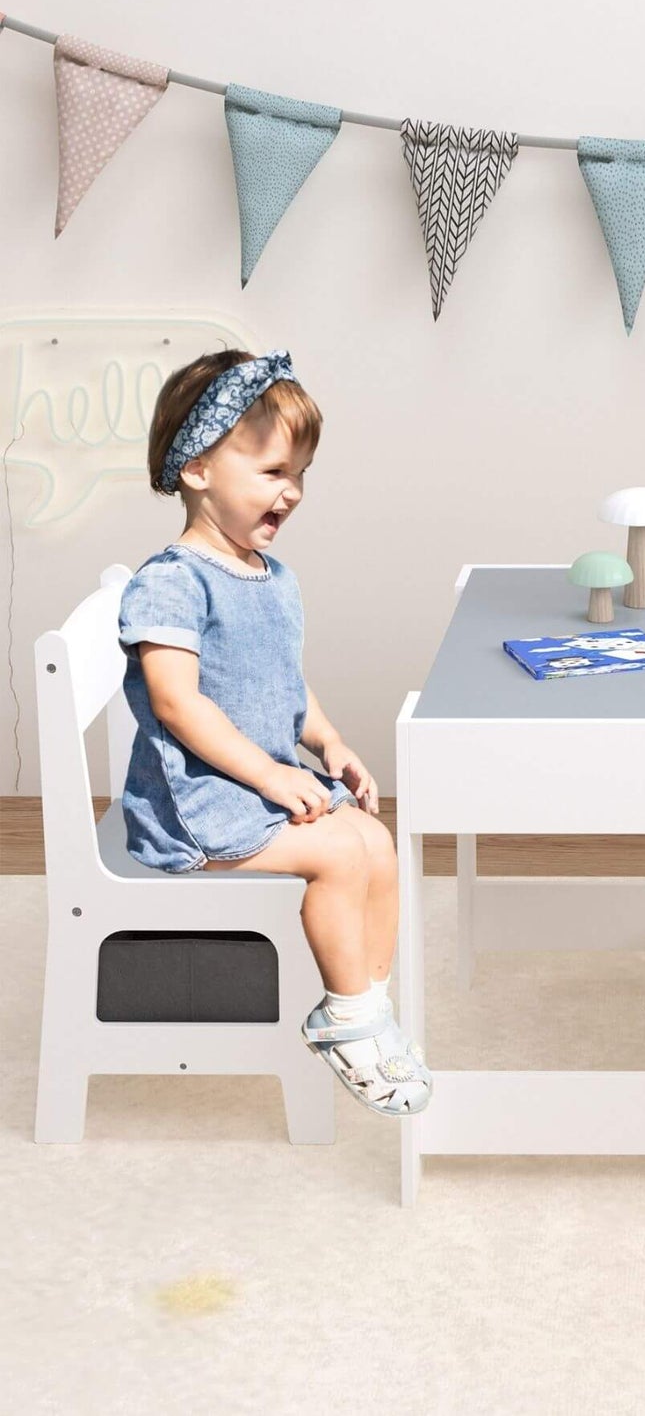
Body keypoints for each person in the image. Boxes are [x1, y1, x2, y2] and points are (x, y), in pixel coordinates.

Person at [117, 348, 431, 1115]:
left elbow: (284, 682)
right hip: (196, 802)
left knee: (374, 841)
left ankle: (371, 1011)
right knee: (335, 855)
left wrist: (327, 742)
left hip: (255, 781)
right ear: (197, 469)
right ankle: (345, 1019)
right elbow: (177, 705)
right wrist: (269, 774)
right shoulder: (172, 580)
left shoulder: (268, 574)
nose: (291, 492)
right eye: (273, 471)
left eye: (300, 475)